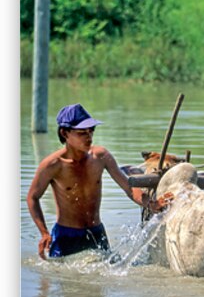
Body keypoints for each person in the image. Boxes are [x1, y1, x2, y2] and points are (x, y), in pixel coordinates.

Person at [27, 103, 172, 259]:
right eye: (82, 132)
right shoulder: (52, 165)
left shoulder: (100, 157)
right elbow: (32, 197)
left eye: (91, 131)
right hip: (66, 236)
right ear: (64, 133)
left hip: (96, 233)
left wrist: (152, 204)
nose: (89, 137)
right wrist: (44, 233)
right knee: (63, 279)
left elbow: (128, 188)